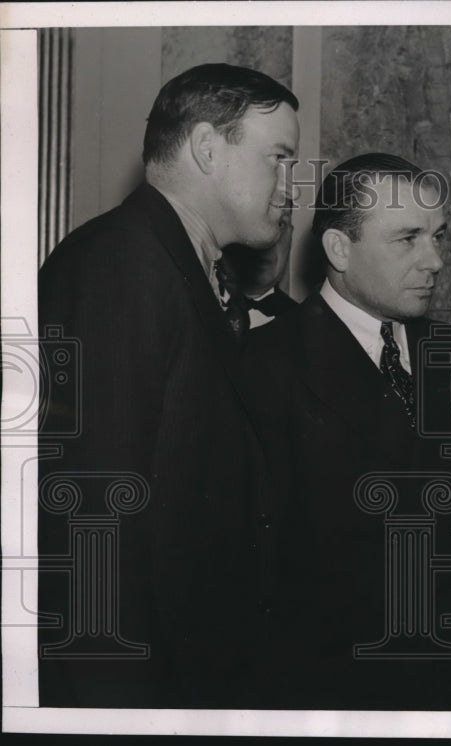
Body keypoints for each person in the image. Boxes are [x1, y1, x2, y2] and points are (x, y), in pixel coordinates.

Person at [37, 63, 300, 708]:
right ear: (209, 149)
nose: (291, 185)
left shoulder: (187, 267)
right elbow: (95, 514)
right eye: (280, 158)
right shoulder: (122, 263)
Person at [246, 153, 451, 710]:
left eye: (438, 236)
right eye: (408, 239)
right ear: (339, 250)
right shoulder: (263, 364)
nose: (435, 260)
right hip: (329, 699)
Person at [222, 212, 297, 328]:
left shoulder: (308, 327)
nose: (268, 241)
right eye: (251, 221)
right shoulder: (192, 305)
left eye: (280, 224)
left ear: (290, 236)